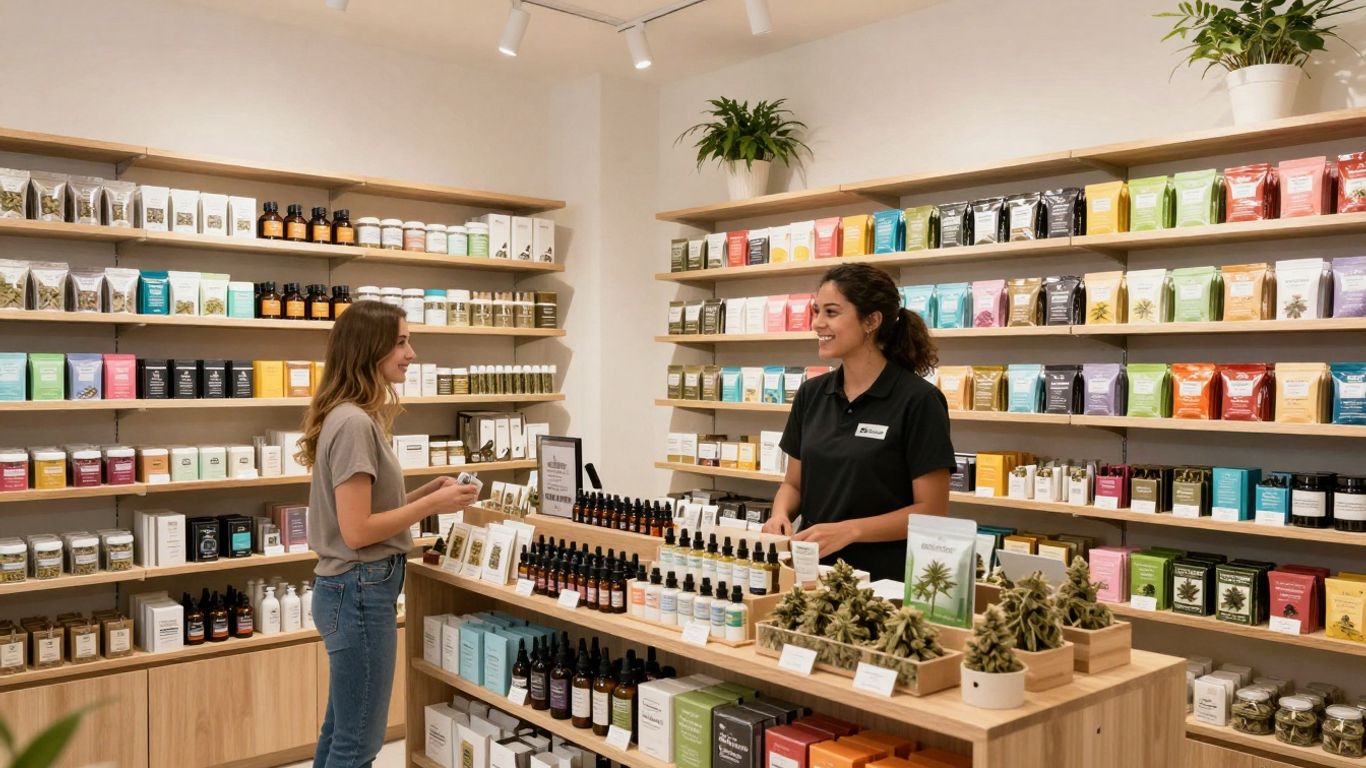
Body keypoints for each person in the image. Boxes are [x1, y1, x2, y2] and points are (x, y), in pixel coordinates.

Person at [297, 300, 479, 768]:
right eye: (401, 342)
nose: (411, 353)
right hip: (360, 591)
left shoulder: (347, 415)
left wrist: (424, 493)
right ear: (369, 349)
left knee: (341, 731)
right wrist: (430, 506)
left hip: (349, 588)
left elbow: (363, 512)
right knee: (359, 743)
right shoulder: (355, 423)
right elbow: (357, 531)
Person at [761, 263, 955, 581]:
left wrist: (851, 531)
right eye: (816, 311)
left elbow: (932, 511)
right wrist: (780, 514)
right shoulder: (812, 394)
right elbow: (794, 484)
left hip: (882, 583)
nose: (817, 323)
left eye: (831, 312)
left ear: (871, 321)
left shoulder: (918, 400)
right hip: (811, 574)